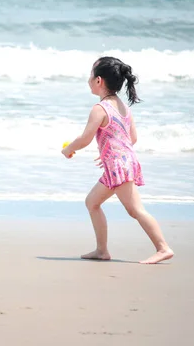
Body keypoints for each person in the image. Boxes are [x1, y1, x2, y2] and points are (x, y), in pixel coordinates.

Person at [62, 57, 174, 264]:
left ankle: (163, 247)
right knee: (92, 202)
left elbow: (85, 139)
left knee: (135, 210)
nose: (88, 80)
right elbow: (132, 138)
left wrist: (69, 149)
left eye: (90, 75)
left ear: (99, 81)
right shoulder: (123, 107)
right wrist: (109, 150)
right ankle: (102, 250)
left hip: (119, 166)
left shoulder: (100, 108)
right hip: (121, 163)